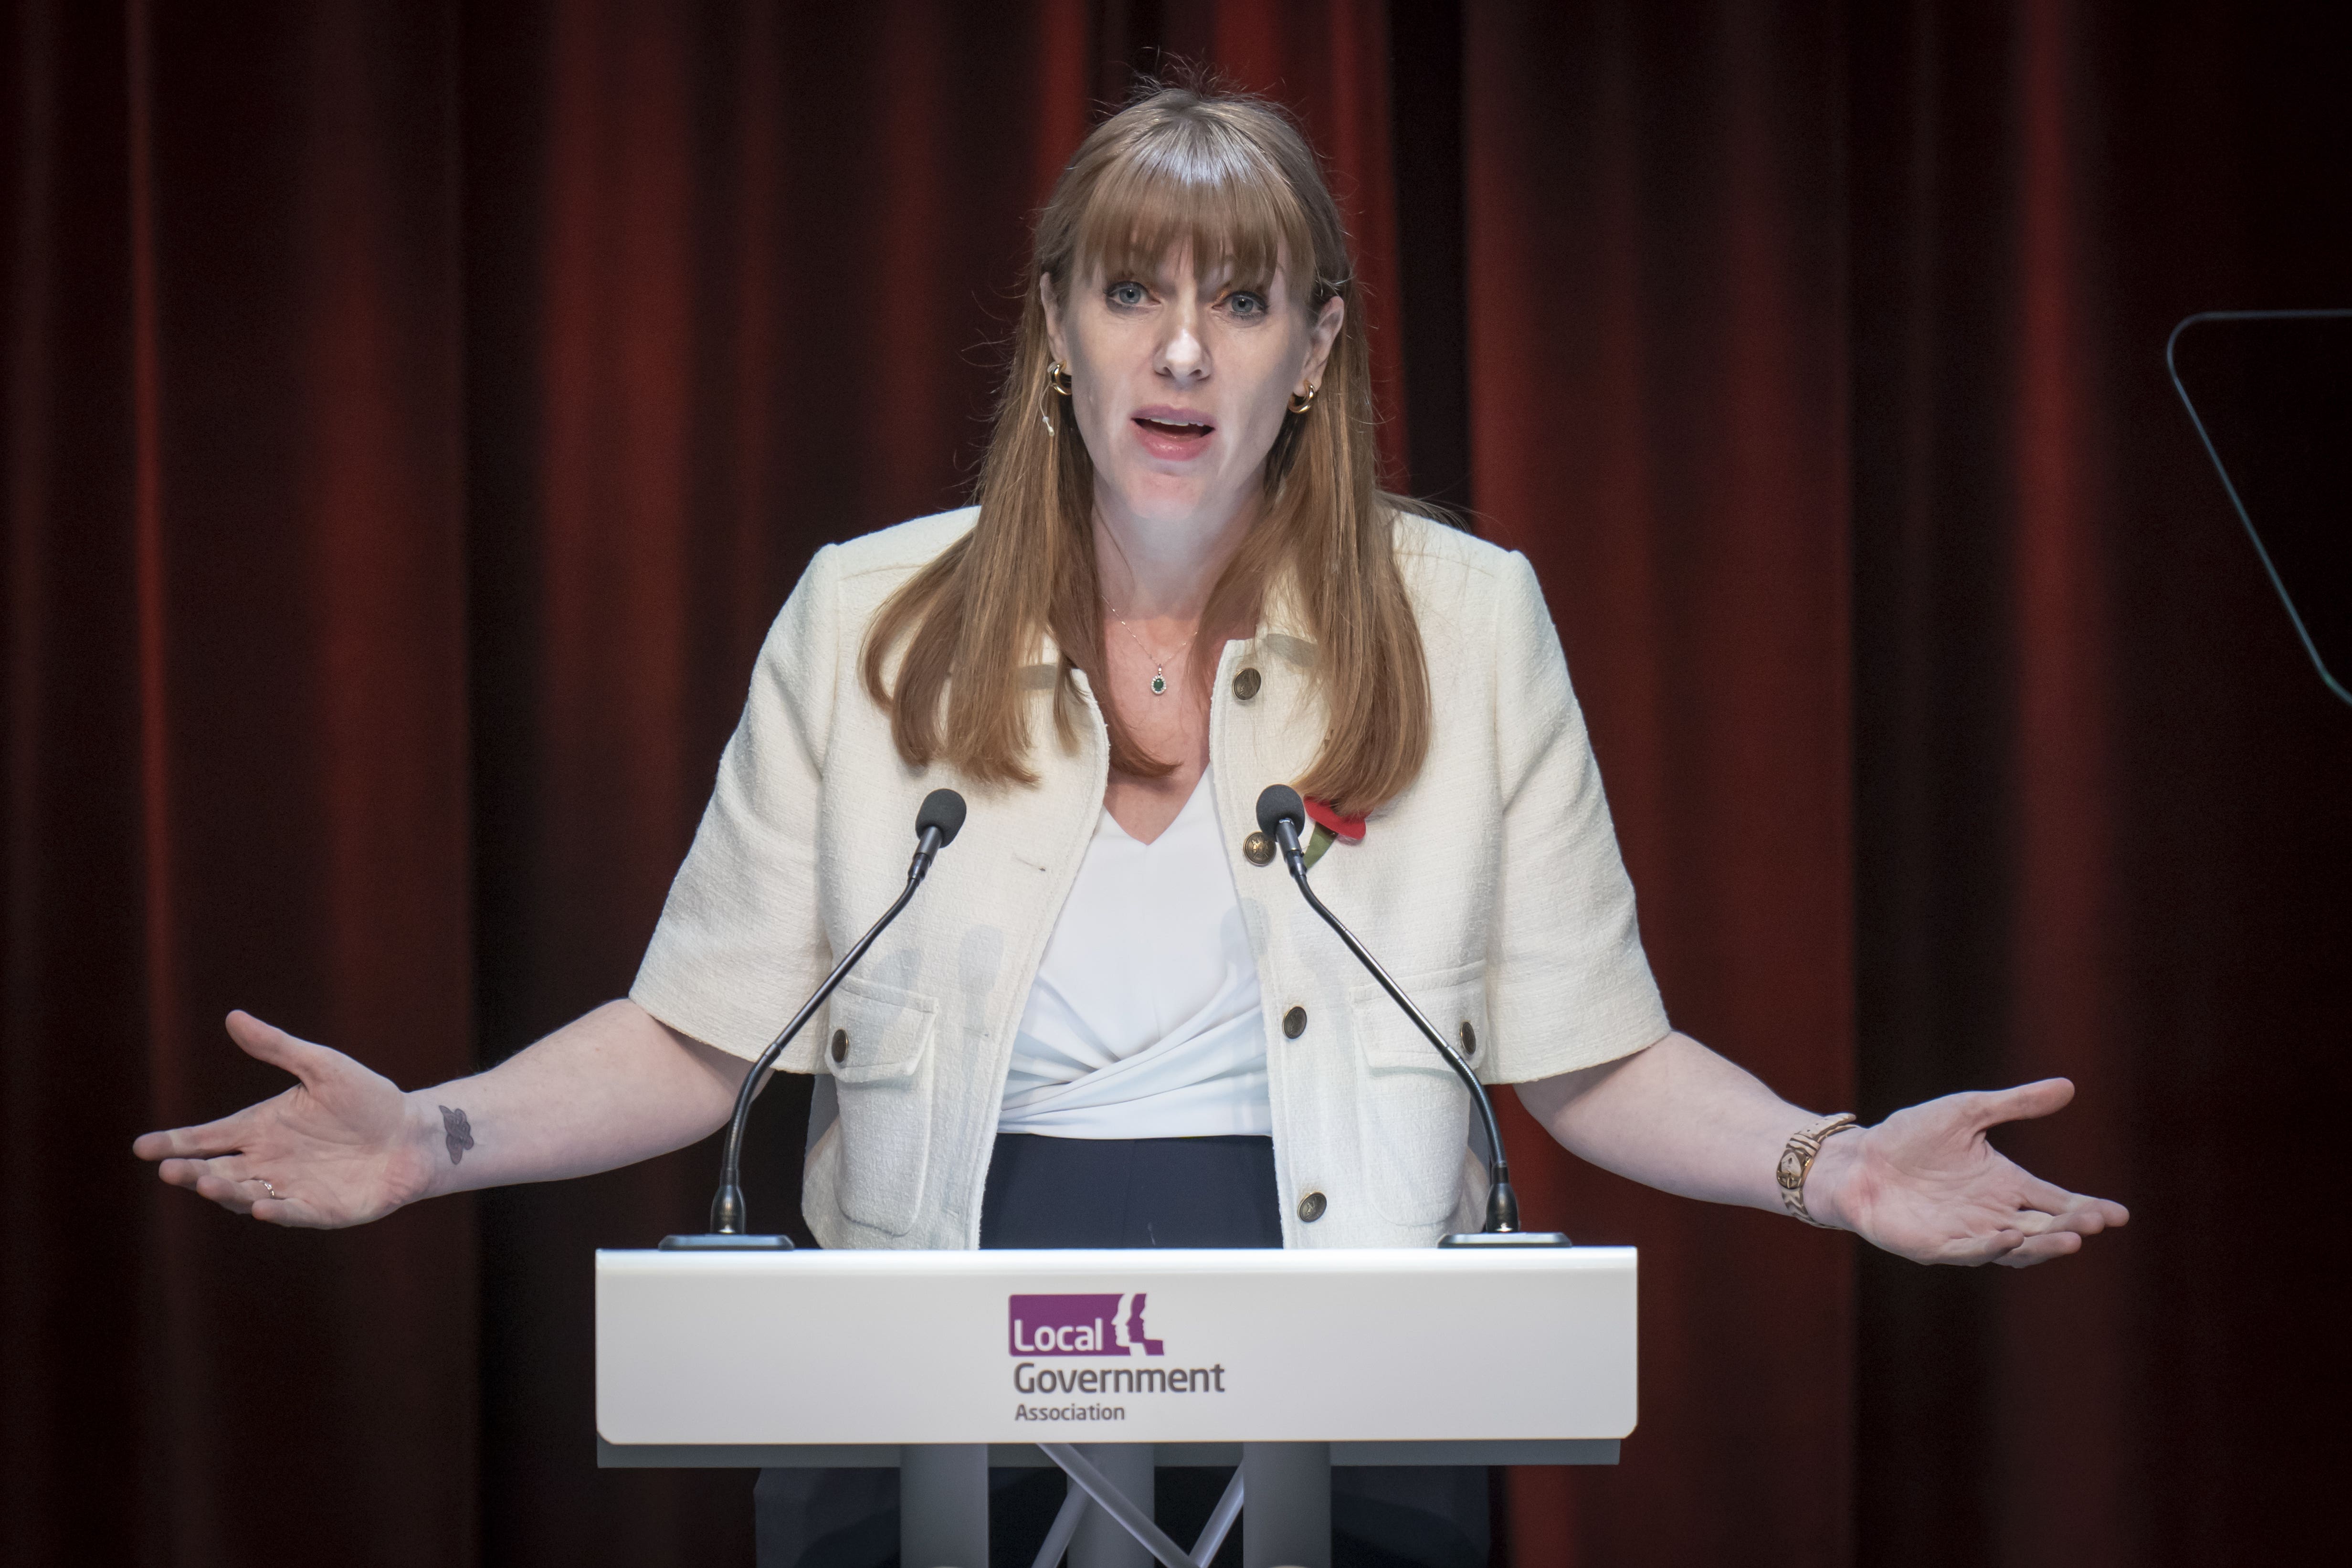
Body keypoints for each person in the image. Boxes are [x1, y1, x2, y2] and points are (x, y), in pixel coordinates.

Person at [135, 84, 2127, 1567]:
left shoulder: (1468, 619)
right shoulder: (865, 617)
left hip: (1348, 1378)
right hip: (912, 1366)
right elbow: (706, 1029)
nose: (1182, 348)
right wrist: (431, 1137)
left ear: (1314, 350)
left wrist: (1827, 1168)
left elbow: (1581, 1050)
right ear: (1059, 330)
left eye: (1243, 299)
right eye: (1131, 292)